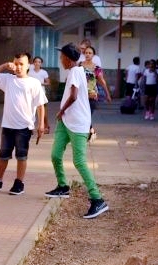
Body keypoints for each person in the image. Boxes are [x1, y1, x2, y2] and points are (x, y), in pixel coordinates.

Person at [45, 43, 109, 219]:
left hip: (78, 123)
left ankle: (98, 199)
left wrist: (61, 110)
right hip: (66, 122)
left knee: (79, 161)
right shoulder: (78, 70)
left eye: (61, 57)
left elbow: (73, 96)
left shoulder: (75, 71)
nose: (60, 60)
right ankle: (63, 187)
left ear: (67, 58)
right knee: (56, 155)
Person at [0, 52, 47, 195]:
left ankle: (19, 183)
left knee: (21, 156)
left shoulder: (34, 83)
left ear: (28, 65)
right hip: (8, 125)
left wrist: (41, 124)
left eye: (21, 64)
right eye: (16, 64)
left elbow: (40, 105)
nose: (18, 67)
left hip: (24, 127)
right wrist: (5, 66)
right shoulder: (8, 79)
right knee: (3, 155)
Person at [79, 46, 112, 141]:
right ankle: (91, 131)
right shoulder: (80, 65)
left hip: (92, 95)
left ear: (93, 55)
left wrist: (107, 94)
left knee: (88, 115)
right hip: (80, 95)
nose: (87, 54)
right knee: (82, 115)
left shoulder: (96, 68)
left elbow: (102, 81)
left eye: (90, 53)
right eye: (86, 53)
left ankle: (90, 132)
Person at [28, 56, 51, 133]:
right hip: (31, 94)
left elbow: (48, 82)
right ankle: (30, 128)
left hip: (41, 93)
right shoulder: (30, 73)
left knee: (42, 111)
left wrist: (40, 83)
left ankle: (46, 127)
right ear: (33, 63)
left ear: (41, 63)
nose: (37, 63)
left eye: (39, 62)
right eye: (36, 62)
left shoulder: (44, 72)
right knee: (31, 111)